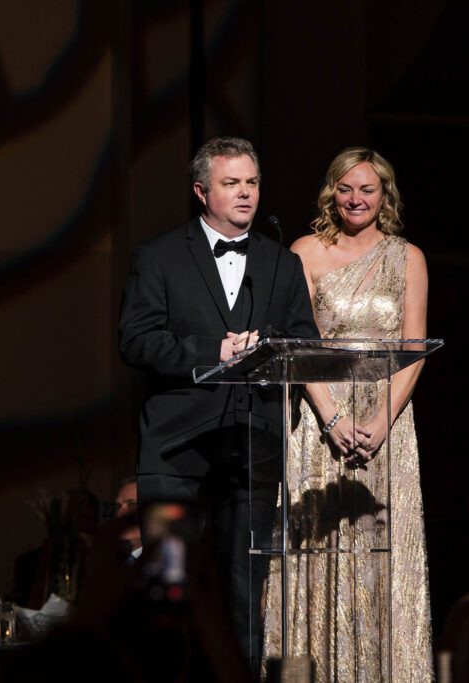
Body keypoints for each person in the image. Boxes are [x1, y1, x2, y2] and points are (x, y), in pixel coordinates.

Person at [119, 136, 319, 670]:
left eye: (252, 182)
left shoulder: (282, 262)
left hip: (252, 445)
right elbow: (136, 341)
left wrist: (270, 351)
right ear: (201, 191)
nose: (245, 193)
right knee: (168, 590)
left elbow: (305, 342)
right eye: (231, 183)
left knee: (243, 599)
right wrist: (215, 350)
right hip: (176, 448)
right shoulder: (158, 256)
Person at [261, 147, 433, 681]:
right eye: (345, 188)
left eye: (367, 189)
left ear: (385, 195)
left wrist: (382, 419)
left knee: (379, 549)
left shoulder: (408, 258)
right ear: (330, 193)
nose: (356, 199)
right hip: (319, 421)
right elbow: (297, 343)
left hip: (387, 421)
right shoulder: (305, 252)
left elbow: (415, 349)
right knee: (314, 549)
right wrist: (331, 417)